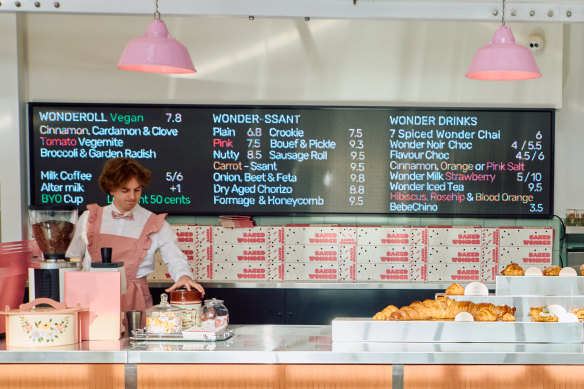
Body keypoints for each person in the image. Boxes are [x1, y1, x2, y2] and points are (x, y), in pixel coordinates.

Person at [66, 157, 204, 324]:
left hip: (135, 301)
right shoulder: (89, 218)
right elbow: (72, 260)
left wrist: (183, 276)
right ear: (111, 189)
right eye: (125, 190)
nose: (132, 196)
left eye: (137, 190)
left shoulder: (155, 224)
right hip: (92, 296)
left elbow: (175, 259)